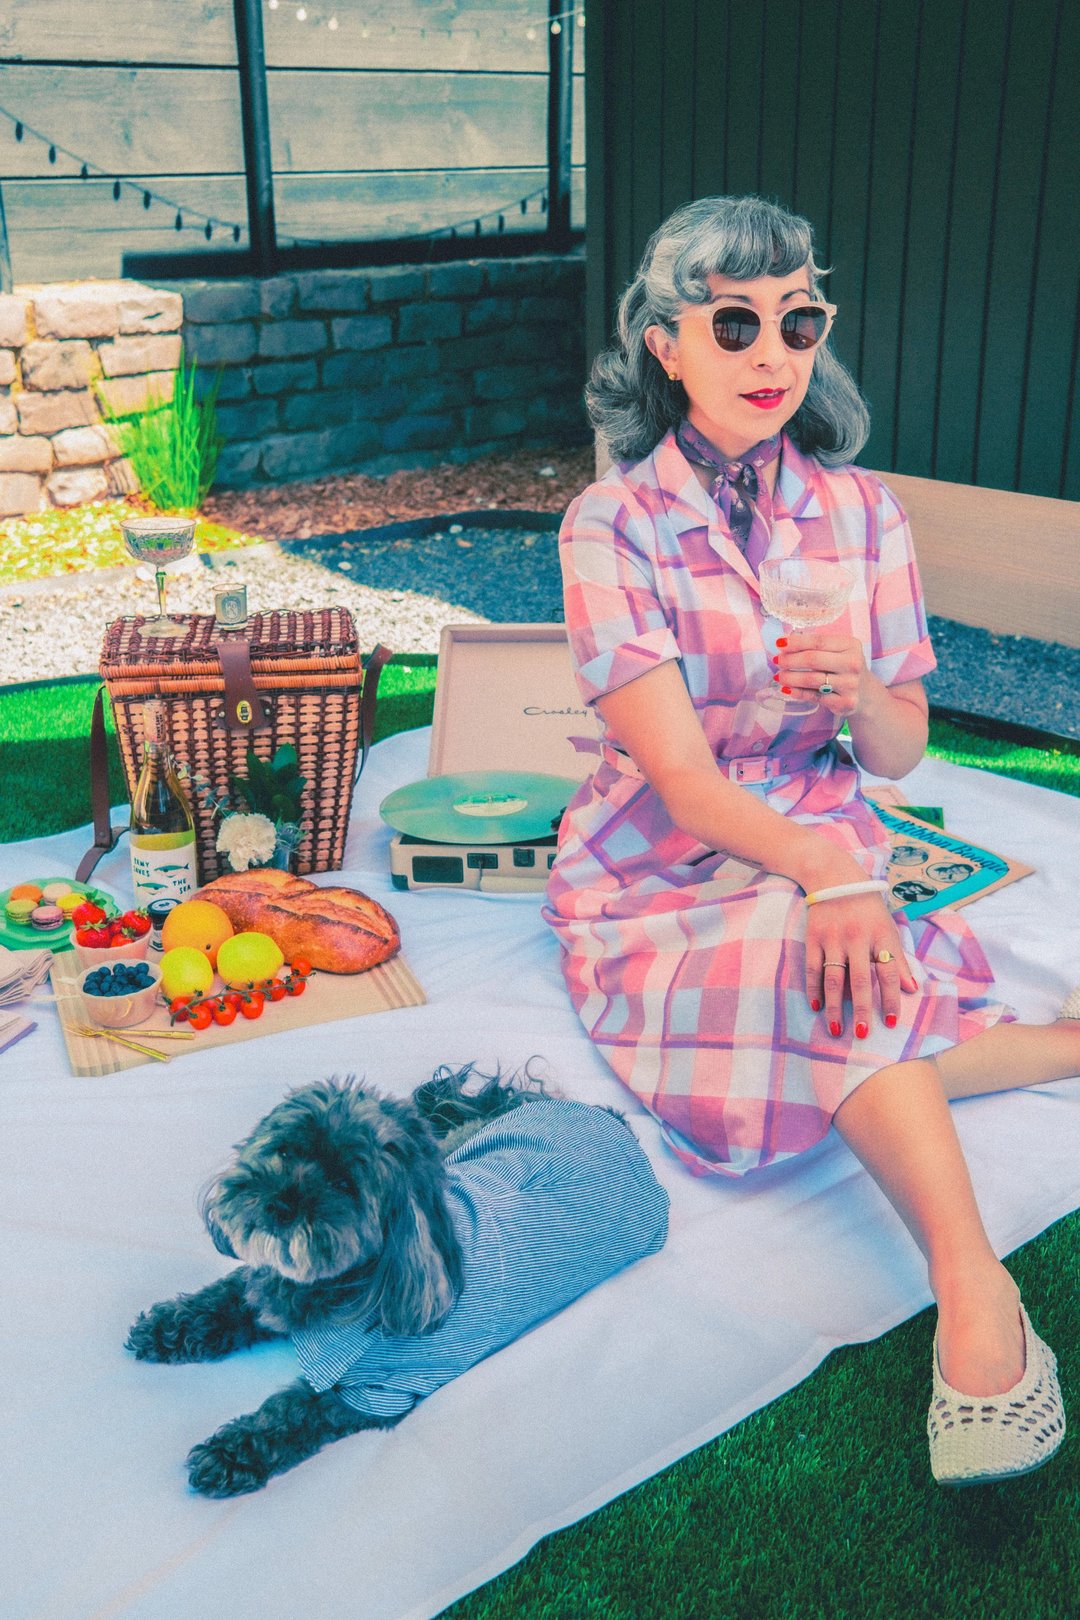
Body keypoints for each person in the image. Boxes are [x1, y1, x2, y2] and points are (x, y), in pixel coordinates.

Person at [542, 195, 1077, 1486]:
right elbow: (680, 779)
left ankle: (972, 1295)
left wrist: (861, 694)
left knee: (822, 961)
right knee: (822, 947)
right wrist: (833, 875)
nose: (773, 352)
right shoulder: (611, 525)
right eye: (734, 324)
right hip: (655, 858)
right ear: (666, 344)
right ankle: (1013, 1189)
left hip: (822, 812)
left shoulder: (862, 512)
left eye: (799, 320)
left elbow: (898, 754)